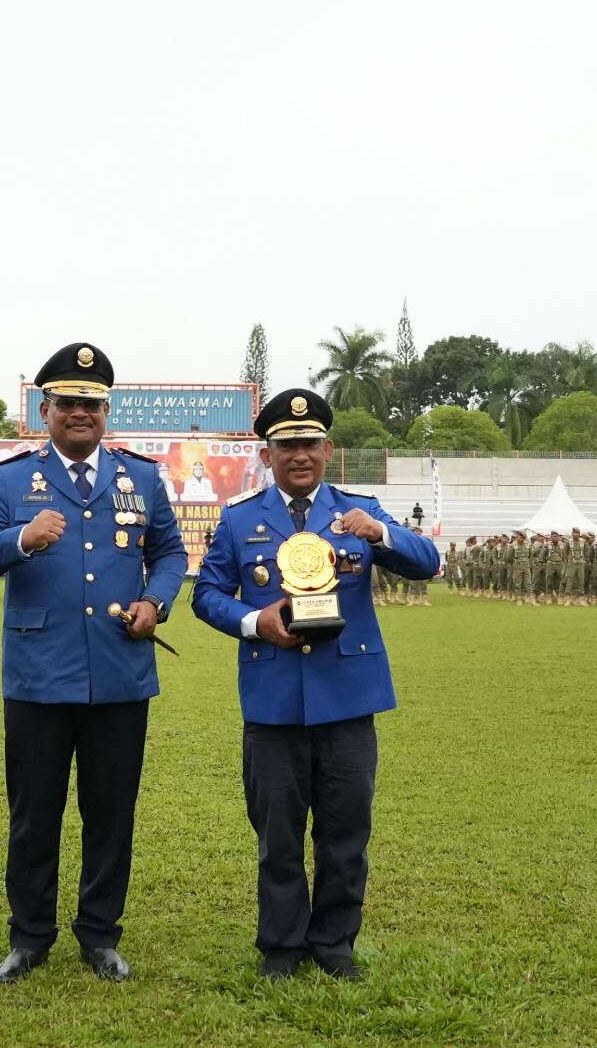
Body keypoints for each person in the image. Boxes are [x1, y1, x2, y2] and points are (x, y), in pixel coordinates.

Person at [0, 342, 188, 985]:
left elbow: (171, 554)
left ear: (105, 409)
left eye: (92, 402)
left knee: (111, 814)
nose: (81, 412)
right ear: (46, 408)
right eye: (68, 402)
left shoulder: (140, 476)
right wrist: (19, 538)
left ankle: (99, 934)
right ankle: (29, 936)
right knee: (34, 816)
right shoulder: (10, 478)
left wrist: (155, 601)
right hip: (38, 674)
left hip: (119, 673)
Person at [192, 388, 437, 980]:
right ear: (267, 454)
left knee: (345, 830)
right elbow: (206, 596)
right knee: (277, 833)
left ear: (327, 449)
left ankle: (334, 944)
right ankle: (281, 945)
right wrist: (255, 622)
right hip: (273, 698)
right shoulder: (240, 519)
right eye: (286, 445)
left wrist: (379, 534)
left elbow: (428, 562)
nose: (299, 454)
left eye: (309, 443)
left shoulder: (361, 508)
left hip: (348, 696)